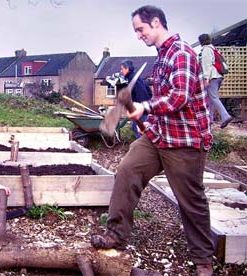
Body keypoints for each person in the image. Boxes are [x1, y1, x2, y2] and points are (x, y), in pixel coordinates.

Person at [90, 6, 214, 276]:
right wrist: (147, 122)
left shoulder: (181, 53)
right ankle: (116, 235)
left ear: (156, 23)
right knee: (126, 171)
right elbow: (165, 101)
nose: (138, 35)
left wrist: (144, 107)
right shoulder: (162, 57)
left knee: (190, 199)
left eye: (140, 29)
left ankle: (203, 260)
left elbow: (178, 97)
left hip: (186, 140)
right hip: (160, 135)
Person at [198, 33, 233, 129]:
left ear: (201, 41)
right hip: (218, 76)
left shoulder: (206, 50)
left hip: (212, 76)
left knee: (213, 97)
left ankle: (225, 116)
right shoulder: (212, 48)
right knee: (211, 98)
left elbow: (207, 65)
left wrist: (206, 78)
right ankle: (210, 119)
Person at [119, 60, 152, 138]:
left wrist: (141, 107)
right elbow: (149, 92)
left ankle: (143, 148)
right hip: (143, 108)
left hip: (141, 110)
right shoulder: (135, 77)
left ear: (127, 69)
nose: (121, 71)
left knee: (139, 130)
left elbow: (142, 93)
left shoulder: (133, 79)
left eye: (122, 69)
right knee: (137, 128)